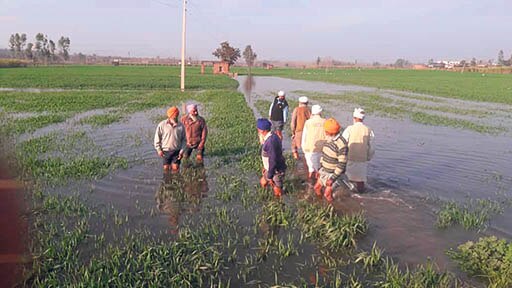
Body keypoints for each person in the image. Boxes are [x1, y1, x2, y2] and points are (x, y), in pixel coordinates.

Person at [314, 118, 348, 202]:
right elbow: (324, 154)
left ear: (331, 132)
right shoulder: (329, 139)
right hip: (324, 170)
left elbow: (342, 164)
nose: (325, 132)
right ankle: (320, 205)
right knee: (317, 188)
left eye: (326, 130)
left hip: (333, 174)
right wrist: (319, 169)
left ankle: (332, 210)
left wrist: (332, 178)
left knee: (327, 195)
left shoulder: (341, 144)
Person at [342, 108, 375, 192]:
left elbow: (342, 144)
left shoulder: (349, 129)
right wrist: (368, 157)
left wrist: (342, 157)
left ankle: (351, 197)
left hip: (350, 158)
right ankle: (361, 195)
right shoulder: (368, 130)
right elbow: (372, 147)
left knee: (349, 179)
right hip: (362, 159)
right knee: (361, 180)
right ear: (363, 118)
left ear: (354, 118)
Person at [257, 118, 287, 197]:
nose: (258, 133)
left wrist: (270, 175)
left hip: (276, 170)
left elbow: (273, 160)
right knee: (263, 182)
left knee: (277, 191)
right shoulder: (272, 136)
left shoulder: (270, 142)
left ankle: (279, 203)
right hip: (270, 168)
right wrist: (265, 167)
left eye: (258, 130)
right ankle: (265, 196)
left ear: (262, 131)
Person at [154, 106, 186, 171]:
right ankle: (167, 180)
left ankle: (176, 180)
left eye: (176, 115)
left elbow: (184, 140)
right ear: (169, 116)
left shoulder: (181, 125)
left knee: (176, 168)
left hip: (177, 151)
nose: (175, 117)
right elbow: (157, 138)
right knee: (166, 168)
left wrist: (182, 151)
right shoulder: (162, 125)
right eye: (173, 115)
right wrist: (158, 150)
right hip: (165, 151)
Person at [301, 104, 326, 180]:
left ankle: (310, 186)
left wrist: (303, 148)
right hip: (323, 149)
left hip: (310, 149)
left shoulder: (308, 122)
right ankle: (318, 186)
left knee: (311, 170)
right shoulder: (325, 122)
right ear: (320, 112)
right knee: (320, 170)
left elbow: (304, 136)